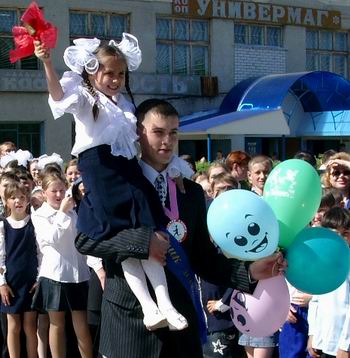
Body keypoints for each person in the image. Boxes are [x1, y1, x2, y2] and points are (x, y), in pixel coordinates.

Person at [75, 99, 287, 358]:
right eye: (158, 132)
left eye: (173, 133)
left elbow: (203, 257)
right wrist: (143, 244)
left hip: (181, 323)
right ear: (138, 133)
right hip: (129, 326)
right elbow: (86, 240)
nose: (167, 141)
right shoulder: (114, 182)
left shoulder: (191, 192)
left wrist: (250, 271)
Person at [34, 34, 187, 331]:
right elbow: (56, 95)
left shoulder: (126, 104)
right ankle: (148, 307)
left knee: (148, 229)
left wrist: (175, 169)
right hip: (100, 168)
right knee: (126, 237)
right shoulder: (84, 98)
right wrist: (47, 62)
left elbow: (140, 143)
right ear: (93, 72)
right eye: (109, 73)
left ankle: (165, 304)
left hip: (127, 168)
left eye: (121, 73)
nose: (115, 79)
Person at [31, 168, 92, 358]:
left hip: (78, 274)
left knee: (81, 323)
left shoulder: (74, 210)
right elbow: (51, 239)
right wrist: (62, 213)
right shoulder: (39, 215)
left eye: (61, 190)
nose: (58, 195)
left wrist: (68, 210)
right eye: (53, 191)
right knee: (56, 325)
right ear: (44, 192)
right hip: (54, 275)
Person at [0, 182, 39, 358]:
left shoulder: (35, 223)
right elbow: (0, 256)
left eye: (22, 197)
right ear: (6, 201)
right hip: (11, 284)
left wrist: (39, 279)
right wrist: (2, 283)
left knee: (31, 326)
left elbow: (41, 253)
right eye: (13, 197)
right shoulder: (3, 226)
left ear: (28, 200)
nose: (18, 201)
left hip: (31, 283)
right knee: (13, 327)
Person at [307, 207, 350, 358]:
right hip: (323, 342)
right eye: (334, 234)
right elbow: (316, 300)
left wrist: (346, 346)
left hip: (342, 346)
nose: (340, 239)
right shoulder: (322, 263)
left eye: (345, 234)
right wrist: (313, 334)